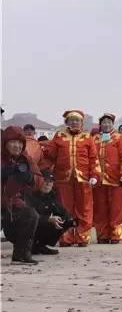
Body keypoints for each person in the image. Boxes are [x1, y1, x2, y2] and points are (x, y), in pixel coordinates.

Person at [41, 110, 100, 247]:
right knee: (63, 208)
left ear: (81, 123)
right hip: (63, 179)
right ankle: (65, 237)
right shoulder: (59, 136)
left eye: (77, 120)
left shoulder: (87, 137)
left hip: (83, 179)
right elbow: (50, 156)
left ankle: (82, 237)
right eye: (71, 120)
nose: (74, 122)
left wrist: (95, 175)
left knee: (84, 208)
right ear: (66, 122)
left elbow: (94, 159)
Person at [1, 126, 44, 264]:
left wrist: (30, 178)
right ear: (5, 143)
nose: (17, 146)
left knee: (30, 215)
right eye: (13, 142)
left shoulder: (25, 158)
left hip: (13, 204)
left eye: (20, 143)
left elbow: (40, 181)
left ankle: (21, 254)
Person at [92, 114, 122, 244]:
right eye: (104, 122)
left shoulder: (120, 138)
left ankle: (115, 235)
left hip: (115, 179)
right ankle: (102, 235)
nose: (106, 124)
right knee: (100, 208)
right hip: (98, 179)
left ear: (112, 124)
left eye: (109, 122)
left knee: (116, 208)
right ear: (100, 124)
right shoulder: (95, 139)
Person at [25, 170, 75, 255]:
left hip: (41, 225)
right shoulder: (30, 194)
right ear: (39, 181)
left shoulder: (51, 195)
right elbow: (28, 216)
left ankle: (40, 246)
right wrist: (48, 219)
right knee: (34, 221)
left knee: (68, 222)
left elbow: (62, 210)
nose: (48, 184)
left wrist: (66, 219)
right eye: (45, 181)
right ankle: (29, 247)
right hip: (25, 228)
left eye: (51, 182)